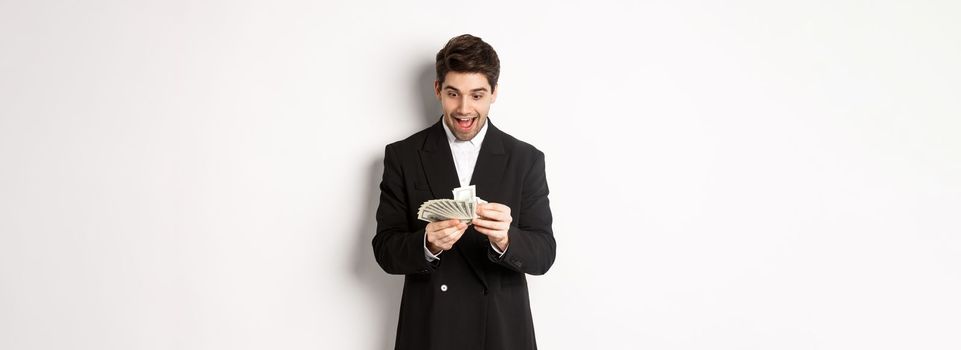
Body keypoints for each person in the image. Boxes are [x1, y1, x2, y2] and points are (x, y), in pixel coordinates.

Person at [372, 34, 556, 350]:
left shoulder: (525, 159)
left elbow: (544, 254)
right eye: (453, 93)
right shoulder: (403, 155)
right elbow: (385, 250)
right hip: (430, 327)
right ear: (437, 90)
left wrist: (506, 239)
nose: (464, 108)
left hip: (500, 330)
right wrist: (426, 243)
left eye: (477, 95)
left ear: (494, 93)